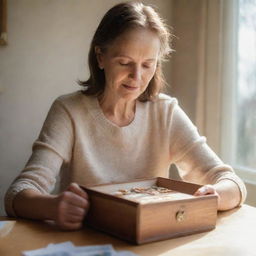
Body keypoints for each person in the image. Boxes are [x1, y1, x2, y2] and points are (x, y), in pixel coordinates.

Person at [4, 1, 246, 231]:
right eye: (124, 62)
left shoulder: (165, 112)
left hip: (150, 243)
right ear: (101, 57)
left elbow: (231, 182)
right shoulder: (69, 111)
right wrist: (53, 206)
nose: (136, 76)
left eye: (147, 64)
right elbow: (19, 193)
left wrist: (215, 195)